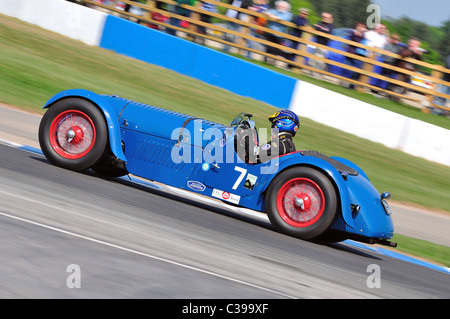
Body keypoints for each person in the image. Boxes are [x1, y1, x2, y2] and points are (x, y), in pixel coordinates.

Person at [345, 22, 367, 88]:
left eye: (362, 27)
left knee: (356, 71)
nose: (361, 28)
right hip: (350, 53)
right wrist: (359, 35)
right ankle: (346, 83)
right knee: (348, 69)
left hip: (358, 55)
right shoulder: (352, 32)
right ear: (357, 26)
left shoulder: (363, 36)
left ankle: (352, 85)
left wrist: (362, 35)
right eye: (360, 26)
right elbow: (356, 40)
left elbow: (363, 42)